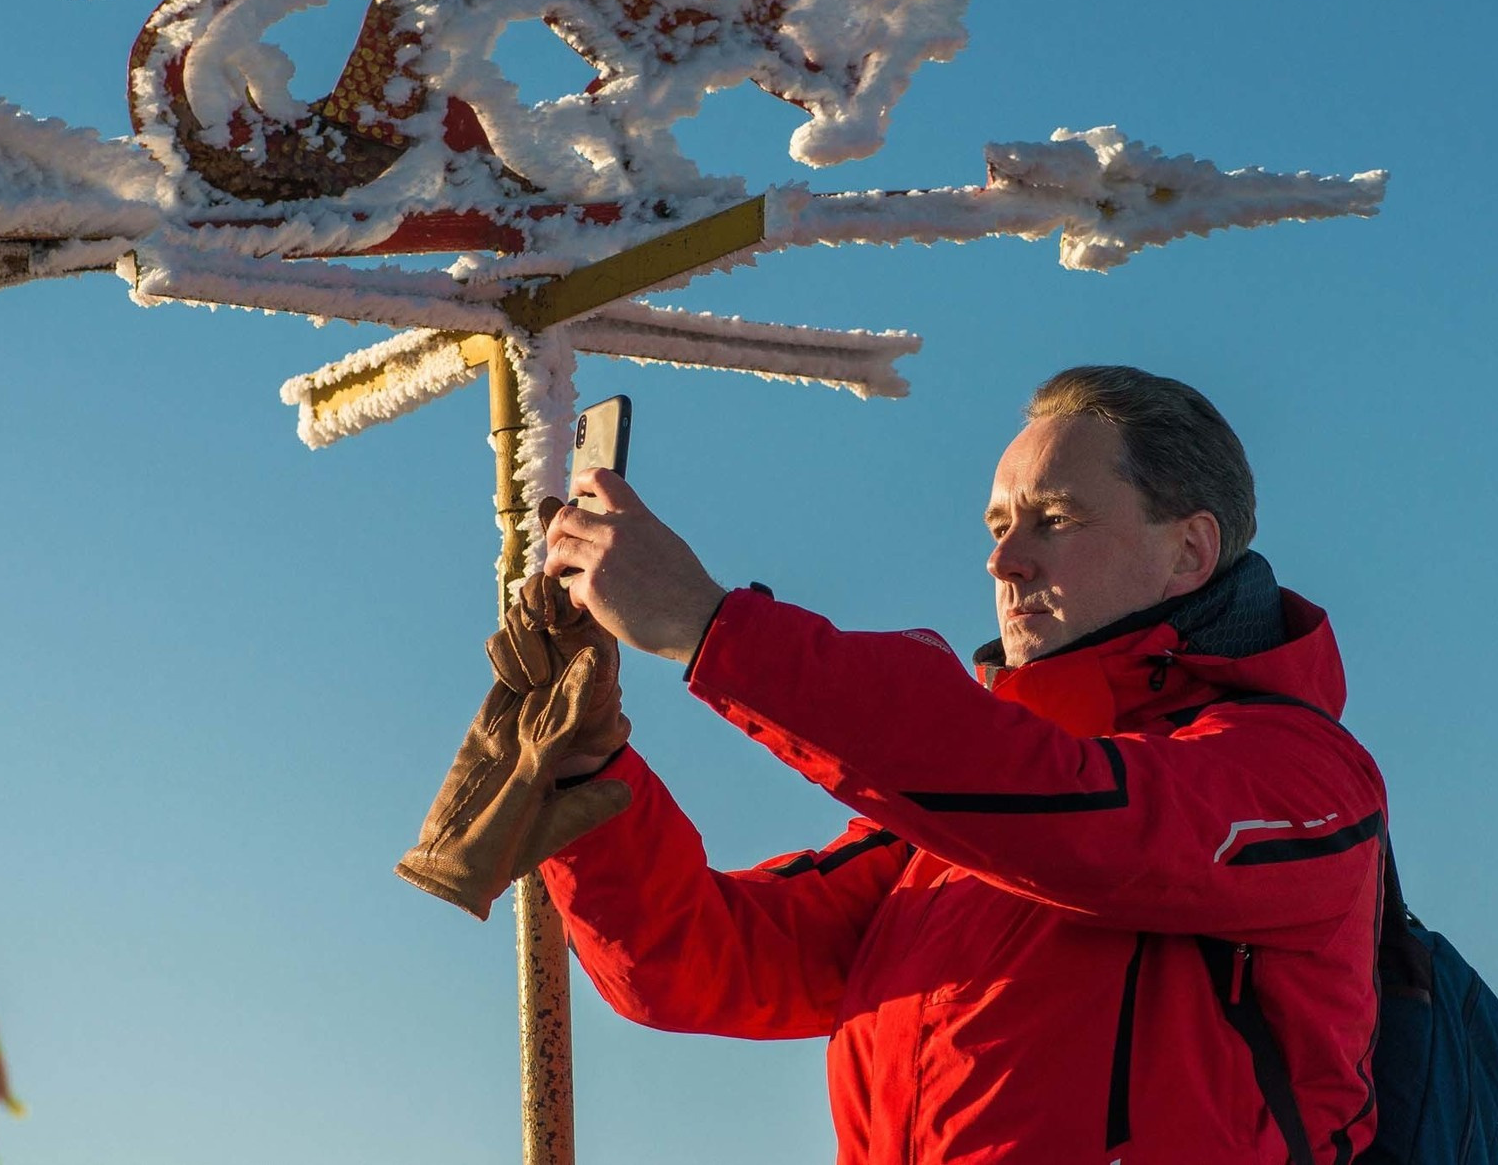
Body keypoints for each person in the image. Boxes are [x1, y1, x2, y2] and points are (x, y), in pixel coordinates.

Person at [534, 365, 1387, 1165]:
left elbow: (1090, 823)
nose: (1004, 559)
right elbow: (698, 960)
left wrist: (711, 627)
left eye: (1054, 520)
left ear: (1190, 553)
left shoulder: (1297, 773)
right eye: (999, 525)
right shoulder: (952, 827)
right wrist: (587, 771)